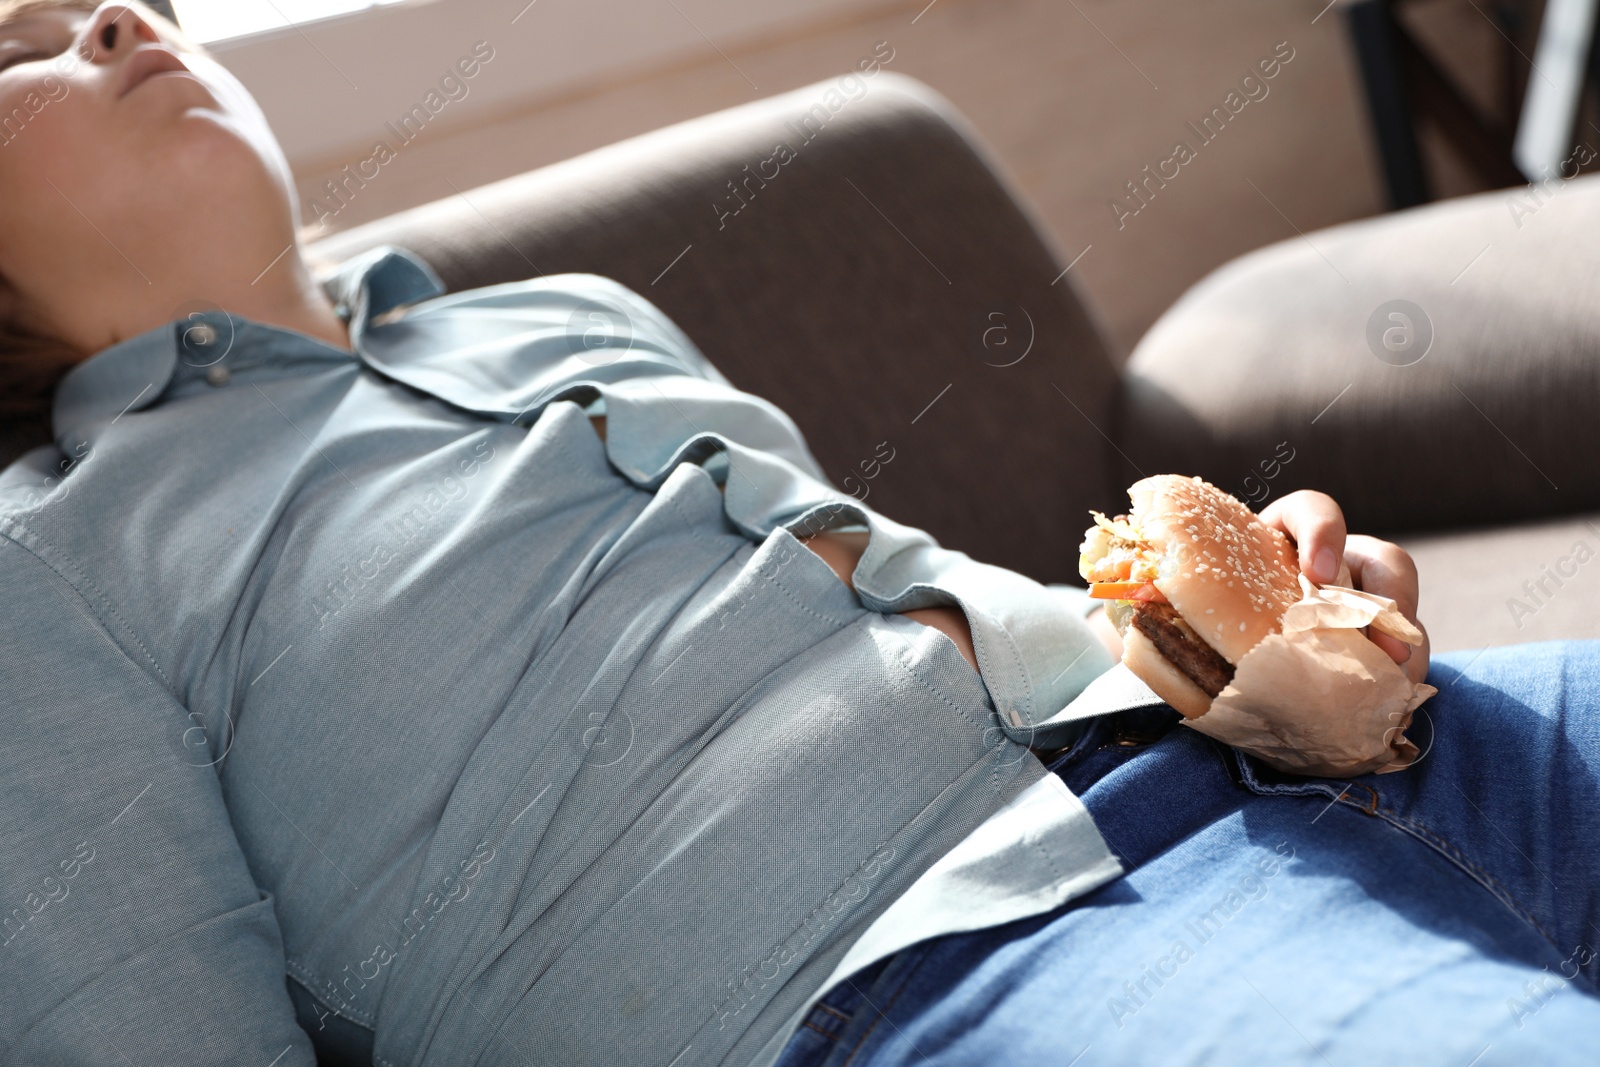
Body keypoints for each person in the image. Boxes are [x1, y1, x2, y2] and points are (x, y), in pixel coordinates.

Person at [0, 3, 1595, 1066]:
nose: (122, 21)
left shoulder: (568, 314)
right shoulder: (54, 562)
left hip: (1282, 769)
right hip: (925, 973)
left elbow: (889, 621)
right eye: (27, 47)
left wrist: (1273, 629)